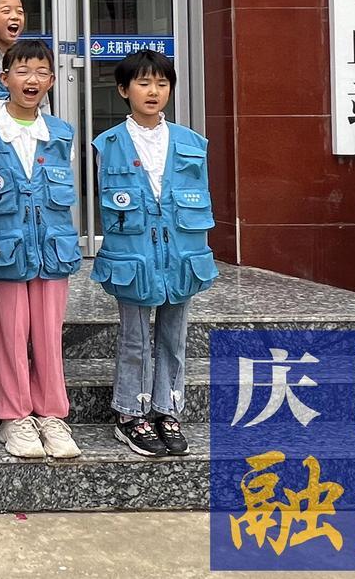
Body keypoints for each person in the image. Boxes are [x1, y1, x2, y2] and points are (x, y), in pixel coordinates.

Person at [92, 50, 216, 459]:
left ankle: (167, 409)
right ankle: (130, 413)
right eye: (144, 83)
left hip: (181, 257)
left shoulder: (191, 143)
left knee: (174, 338)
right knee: (134, 339)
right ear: (123, 90)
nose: (153, 91)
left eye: (162, 84)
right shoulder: (108, 144)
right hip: (134, 259)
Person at [0, 39, 82, 461]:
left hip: (52, 250)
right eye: (22, 71)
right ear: (4, 79)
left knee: (49, 337)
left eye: (40, 72)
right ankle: (14, 415)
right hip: (5, 251)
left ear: (51, 80)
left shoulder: (60, 133)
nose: (31, 79)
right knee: (9, 336)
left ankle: (52, 414)